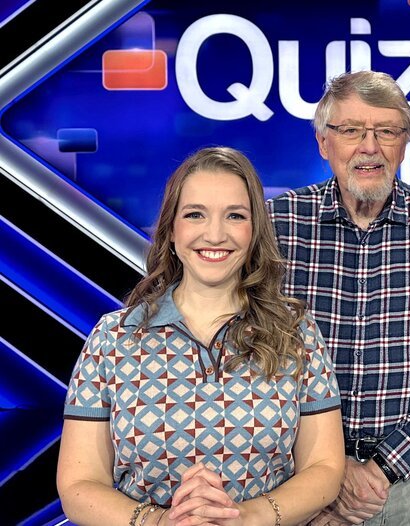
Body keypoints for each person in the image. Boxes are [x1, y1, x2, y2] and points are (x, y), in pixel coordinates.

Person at [57, 147, 345, 526]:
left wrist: (246, 517)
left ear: (254, 230)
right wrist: (160, 522)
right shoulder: (113, 338)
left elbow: (324, 467)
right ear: (171, 230)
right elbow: (78, 484)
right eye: (195, 214)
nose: (215, 234)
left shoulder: (295, 331)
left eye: (235, 216)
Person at [268, 71, 410, 526]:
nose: (370, 147)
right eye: (351, 130)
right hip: (302, 476)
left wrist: (382, 468)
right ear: (323, 143)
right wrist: (332, 468)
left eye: (386, 131)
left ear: (405, 143)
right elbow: (256, 363)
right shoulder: (279, 224)